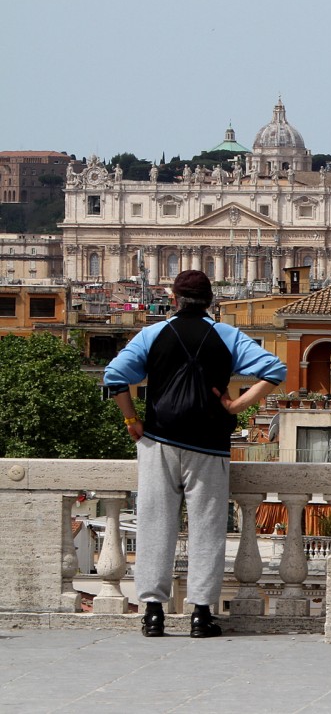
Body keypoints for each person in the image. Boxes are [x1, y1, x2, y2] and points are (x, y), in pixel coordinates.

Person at [104, 270, 286, 638]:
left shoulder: (152, 334)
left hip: (159, 440)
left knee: (155, 524)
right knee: (207, 527)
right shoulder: (227, 335)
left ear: (173, 299)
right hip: (208, 444)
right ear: (210, 302)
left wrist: (131, 420)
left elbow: (114, 376)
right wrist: (237, 406)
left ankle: (153, 613)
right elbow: (275, 369)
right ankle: (201, 615)